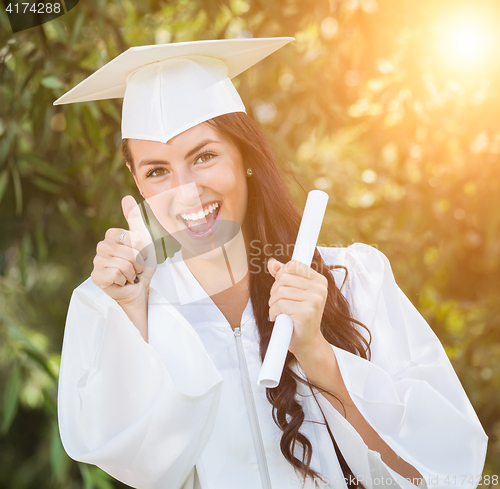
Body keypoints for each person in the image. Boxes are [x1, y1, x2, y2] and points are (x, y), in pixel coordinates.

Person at [55, 38, 488, 489]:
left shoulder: (353, 280)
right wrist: (133, 318)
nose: (185, 191)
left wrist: (318, 354)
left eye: (204, 156)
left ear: (245, 157)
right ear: (137, 183)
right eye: (157, 171)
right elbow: (138, 468)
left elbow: (443, 473)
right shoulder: (116, 303)